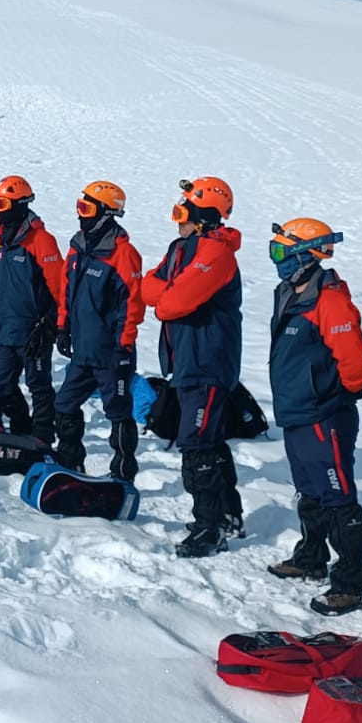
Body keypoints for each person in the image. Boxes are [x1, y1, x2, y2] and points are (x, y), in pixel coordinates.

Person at [263, 218, 362, 617]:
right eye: (273, 252)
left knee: (338, 495)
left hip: (323, 415)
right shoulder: (288, 293)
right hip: (297, 411)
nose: (276, 261)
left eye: (282, 253)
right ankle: (311, 555)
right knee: (308, 489)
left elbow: (357, 363)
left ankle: (350, 582)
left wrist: (333, 395)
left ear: (307, 256)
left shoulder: (329, 300)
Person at [143, 176, 245, 558]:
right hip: (189, 360)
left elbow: (168, 305)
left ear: (204, 213)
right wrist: (169, 292)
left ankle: (210, 525)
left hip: (206, 362)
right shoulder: (183, 248)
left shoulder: (215, 254)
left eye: (182, 211)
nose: (178, 219)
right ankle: (228, 515)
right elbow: (148, 289)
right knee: (210, 441)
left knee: (198, 445)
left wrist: (168, 293)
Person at [51, 181, 144, 480]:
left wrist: (124, 345)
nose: (81, 215)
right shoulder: (77, 246)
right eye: (80, 206)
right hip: (83, 350)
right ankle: (70, 459)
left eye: (87, 209)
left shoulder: (122, 253)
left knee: (117, 411)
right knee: (64, 404)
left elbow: (132, 304)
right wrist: (62, 326)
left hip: (110, 352)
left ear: (106, 214)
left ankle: (123, 471)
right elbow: (67, 290)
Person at [0, 175, 65, 442]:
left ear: (19, 205)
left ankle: (43, 433)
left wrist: (56, 322)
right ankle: (21, 424)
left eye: (2, 204)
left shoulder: (40, 240)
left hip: (35, 328)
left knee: (38, 384)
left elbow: (59, 284)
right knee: (1, 383)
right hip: (8, 327)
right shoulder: (2, 240)